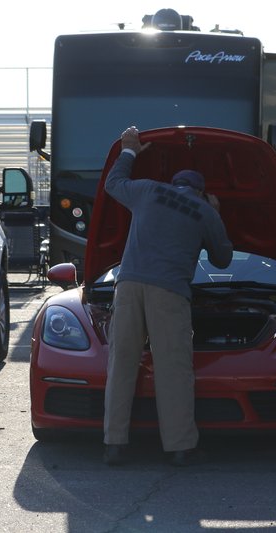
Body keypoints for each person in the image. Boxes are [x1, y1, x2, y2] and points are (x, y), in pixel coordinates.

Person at [102, 126, 233, 466]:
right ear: (201, 192)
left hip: (127, 285)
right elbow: (223, 259)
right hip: (169, 292)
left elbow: (112, 184)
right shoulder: (204, 211)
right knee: (172, 368)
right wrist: (215, 213)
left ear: (174, 182)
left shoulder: (147, 190)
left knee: (122, 364)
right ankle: (179, 448)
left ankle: (114, 444)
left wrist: (129, 150)